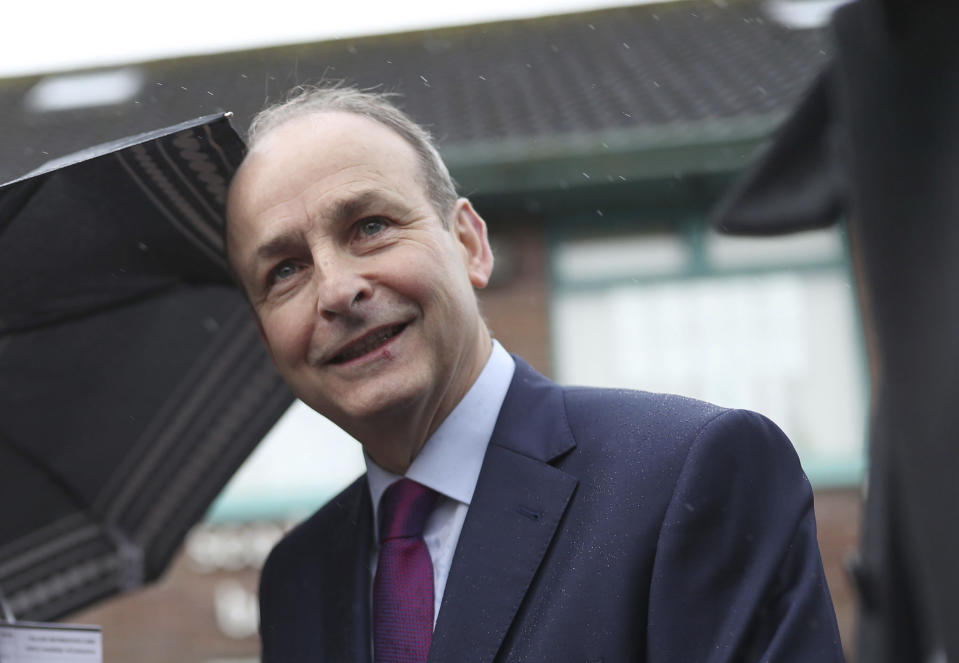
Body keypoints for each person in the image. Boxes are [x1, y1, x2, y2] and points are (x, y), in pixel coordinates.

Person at [225, 85, 845, 663]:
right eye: (284, 271)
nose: (336, 290)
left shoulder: (691, 473)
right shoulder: (297, 579)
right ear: (264, 336)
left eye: (370, 227)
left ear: (469, 244)